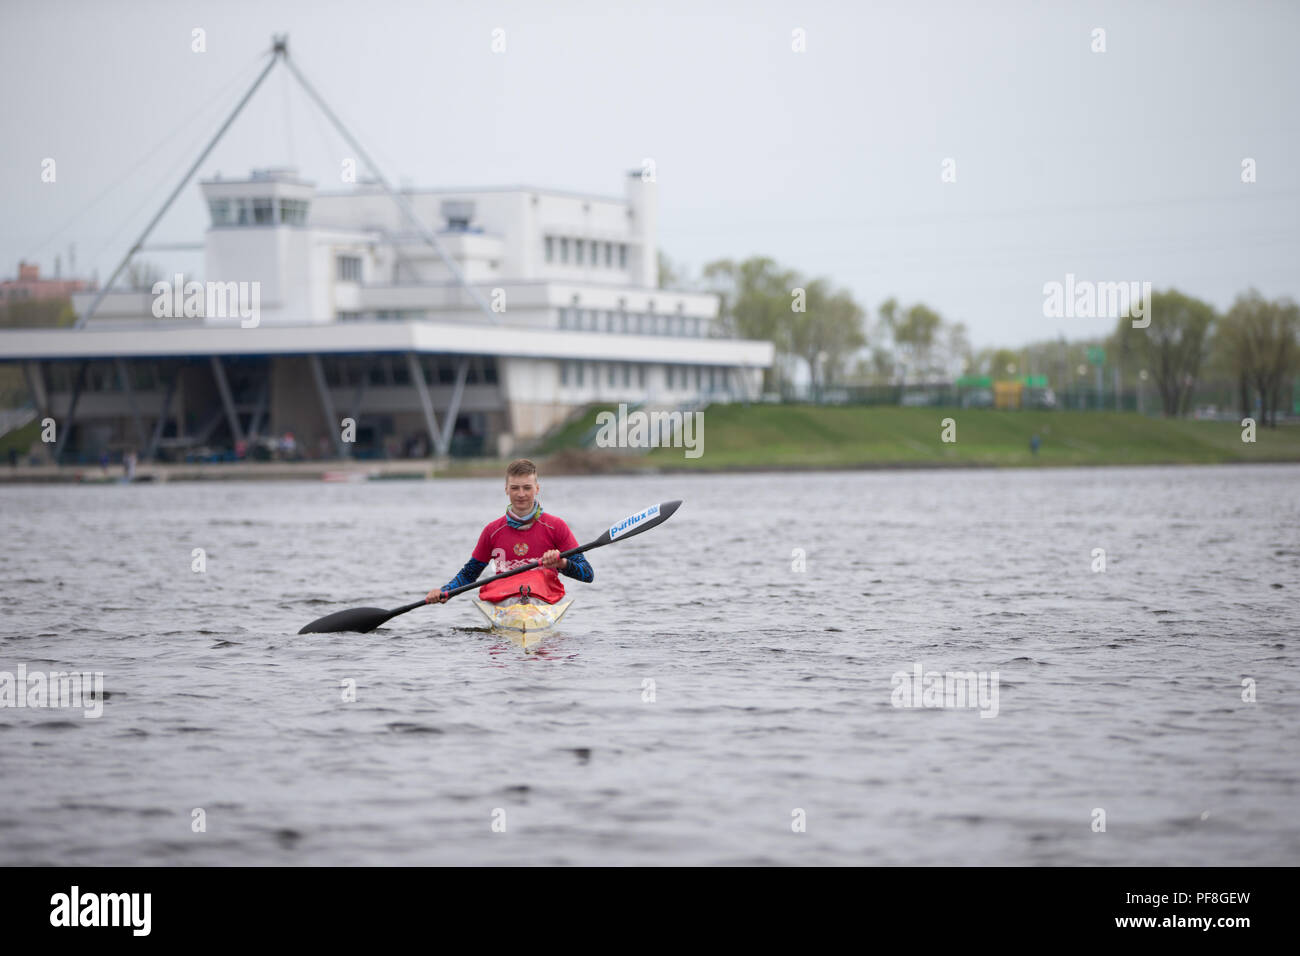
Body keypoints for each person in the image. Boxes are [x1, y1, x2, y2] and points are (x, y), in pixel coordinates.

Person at [426, 458, 593, 607]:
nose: (521, 494)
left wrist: (561, 563)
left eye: (527, 488)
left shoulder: (556, 526)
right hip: (505, 600)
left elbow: (587, 574)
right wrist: (444, 591)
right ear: (506, 489)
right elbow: (469, 574)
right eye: (515, 488)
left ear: (537, 488)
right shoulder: (492, 531)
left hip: (542, 599)